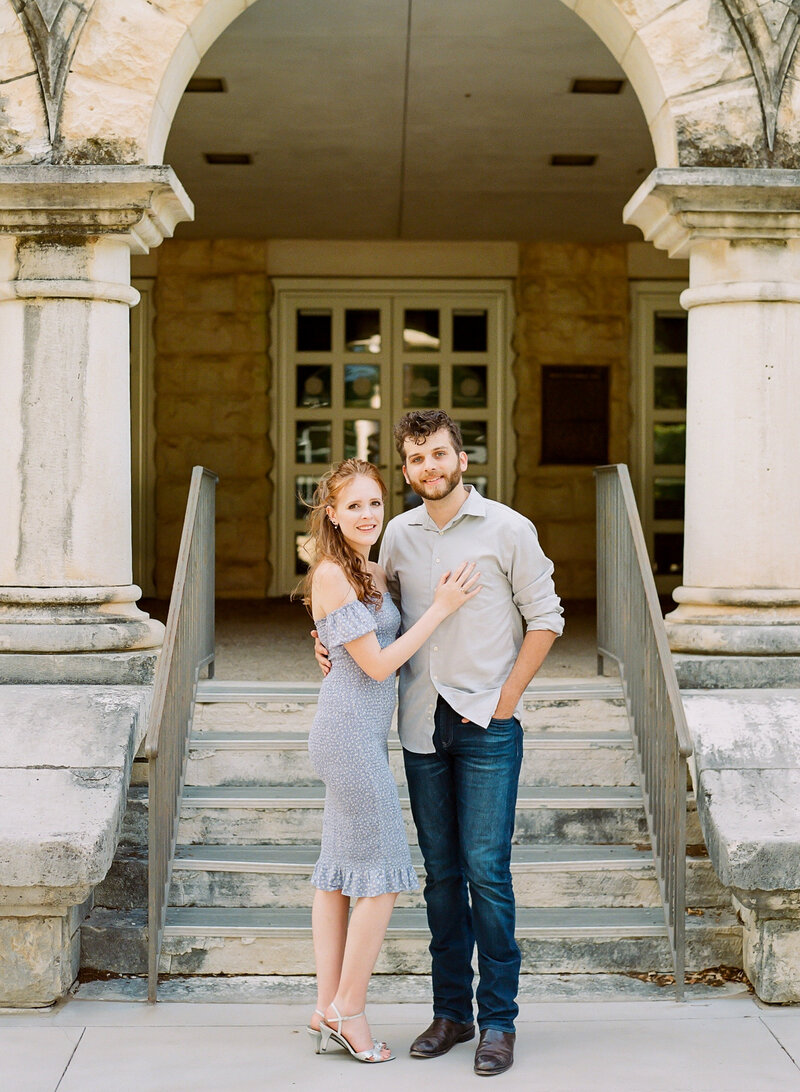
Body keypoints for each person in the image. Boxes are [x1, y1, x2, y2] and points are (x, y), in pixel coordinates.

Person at [315, 411, 563, 1077]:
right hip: (421, 723)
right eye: (416, 458)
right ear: (405, 469)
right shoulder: (396, 535)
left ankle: (499, 1022)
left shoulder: (509, 529)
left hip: (487, 724)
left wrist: (506, 703)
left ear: (461, 458)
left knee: (488, 875)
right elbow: (371, 611)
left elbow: (547, 618)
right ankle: (450, 1012)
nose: (429, 467)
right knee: (442, 879)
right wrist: (327, 639)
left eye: (439, 455)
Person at [302, 457, 480, 1065]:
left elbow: (351, 644)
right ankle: (351, 1009)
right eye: (353, 505)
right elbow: (377, 664)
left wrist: (325, 643)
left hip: (358, 733)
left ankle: (327, 1005)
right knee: (381, 879)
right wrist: (441, 608)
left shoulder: (370, 570)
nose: (367, 514)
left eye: (374, 503)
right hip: (348, 738)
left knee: (336, 876)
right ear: (331, 512)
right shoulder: (331, 572)